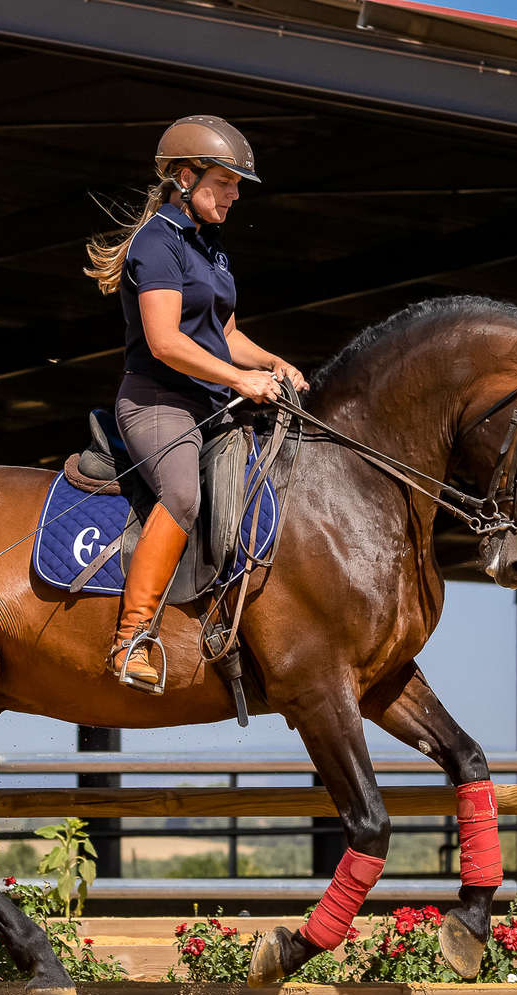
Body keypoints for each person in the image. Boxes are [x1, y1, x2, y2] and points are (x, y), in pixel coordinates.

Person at [84, 115, 308, 691]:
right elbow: (166, 342)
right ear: (184, 177)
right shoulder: (157, 245)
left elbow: (223, 333)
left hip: (207, 402)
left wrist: (271, 363)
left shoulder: (209, 246)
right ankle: (130, 638)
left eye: (237, 185)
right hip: (158, 403)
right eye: (226, 182)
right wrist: (238, 380)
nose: (235, 195)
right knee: (183, 494)